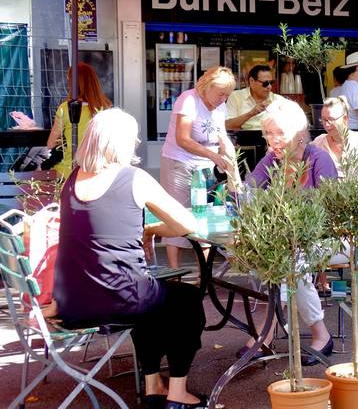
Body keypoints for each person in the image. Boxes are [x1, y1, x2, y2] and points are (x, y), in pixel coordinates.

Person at [55, 108, 207, 409]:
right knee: (186, 301)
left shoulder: (72, 180)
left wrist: (146, 228)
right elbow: (188, 225)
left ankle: (153, 385)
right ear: (123, 143)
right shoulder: (133, 178)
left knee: (152, 297)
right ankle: (177, 394)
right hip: (118, 300)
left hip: (73, 301)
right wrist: (153, 229)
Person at [246, 98, 338, 363]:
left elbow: (327, 211)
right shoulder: (272, 159)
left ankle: (271, 329)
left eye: (280, 133)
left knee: (291, 264)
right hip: (289, 241)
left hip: (328, 239)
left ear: (299, 135)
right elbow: (248, 187)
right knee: (288, 260)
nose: (273, 141)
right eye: (268, 134)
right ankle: (310, 333)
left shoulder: (318, 159)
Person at [160, 66, 236, 269]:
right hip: (180, 162)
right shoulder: (188, 99)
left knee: (204, 217)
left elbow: (222, 136)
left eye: (227, 95)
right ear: (207, 87)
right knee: (177, 213)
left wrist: (231, 158)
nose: (223, 99)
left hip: (205, 167)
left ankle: (204, 273)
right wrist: (213, 154)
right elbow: (182, 139)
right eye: (220, 93)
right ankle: (174, 271)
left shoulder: (220, 106)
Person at [46, 62, 113, 178]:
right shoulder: (105, 108)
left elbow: (50, 144)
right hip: (99, 171)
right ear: (93, 82)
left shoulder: (65, 108)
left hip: (70, 171)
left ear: (73, 84)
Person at [311, 96, 358, 177]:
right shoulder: (318, 143)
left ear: (345, 118)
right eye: (324, 119)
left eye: (331, 119)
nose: (326, 124)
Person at [226, 64, 284, 131]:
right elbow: (227, 125)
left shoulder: (277, 100)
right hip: (243, 138)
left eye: (271, 83)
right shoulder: (236, 96)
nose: (269, 86)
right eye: (265, 83)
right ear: (252, 81)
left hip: (270, 139)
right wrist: (251, 113)